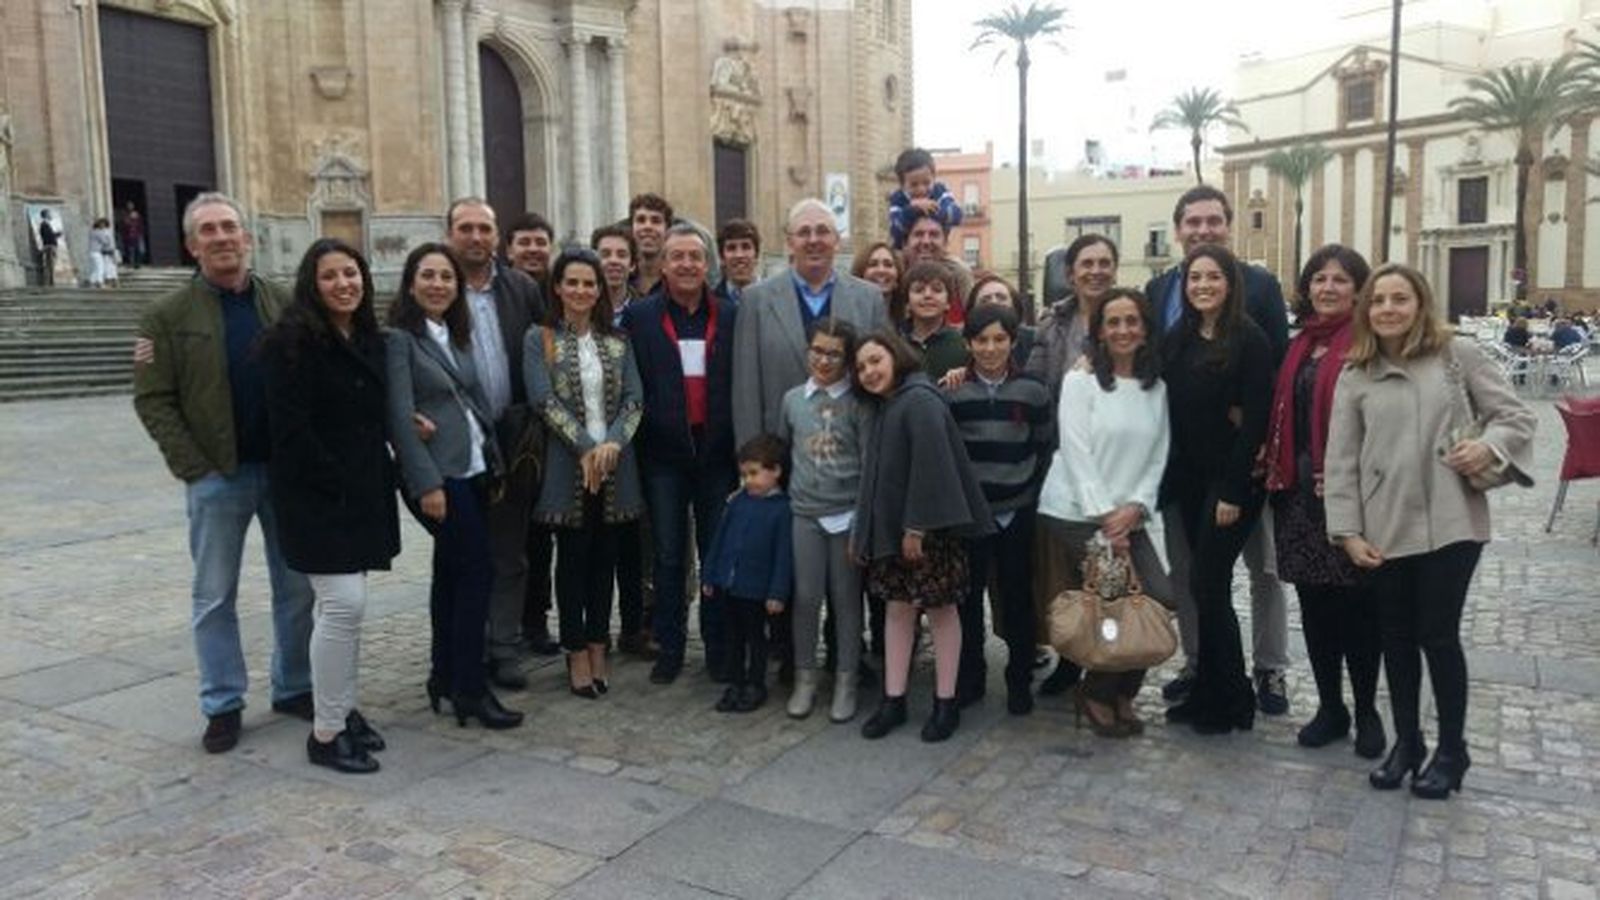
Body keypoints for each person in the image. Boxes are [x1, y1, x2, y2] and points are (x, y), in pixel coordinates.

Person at [1326, 263, 1535, 800]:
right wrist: (1347, 532)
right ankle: (1408, 744)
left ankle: (1451, 750)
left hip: (1452, 522)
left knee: (1437, 636)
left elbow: (1515, 417)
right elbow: (1341, 460)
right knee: (1394, 638)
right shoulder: (1356, 373)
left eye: (1400, 298)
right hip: (1385, 524)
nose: (1388, 309)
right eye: (1378, 300)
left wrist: (1488, 447)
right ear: (1366, 310)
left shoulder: (1456, 355)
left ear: (1420, 303)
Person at [132, 192, 314, 753]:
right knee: (214, 595)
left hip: (283, 471)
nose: (222, 237)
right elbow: (154, 399)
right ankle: (222, 703)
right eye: (208, 230)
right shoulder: (166, 316)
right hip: (218, 476)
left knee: (297, 588)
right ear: (192, 245)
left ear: (247, 238)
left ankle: (295, 685)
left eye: (229, 227)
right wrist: (195, 467)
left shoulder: (282, 302)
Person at [1145, 185, 1292, 716]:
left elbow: (1273, 377)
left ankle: (1265, 672)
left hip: (1239, 470)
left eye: (1213, 221)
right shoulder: (1165, 305)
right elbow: (1148, 370)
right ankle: (1203, 671)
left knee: (1260, 572)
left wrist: (1249, 441)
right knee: (1199, 579)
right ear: (1178, 229)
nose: (1203, 230)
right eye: (1193, 222)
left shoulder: (1259, 299)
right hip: (1187, 472)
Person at [261, 238, 399, 773]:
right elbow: (289, 429)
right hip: (316, 497)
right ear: (311, 285)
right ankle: (325, 733)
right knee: (344, 605)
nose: (344, 284)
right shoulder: (290, 343)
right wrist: (335, 480)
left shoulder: (364, 337)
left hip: (361, 493)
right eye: (330, 276)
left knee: (344, 611)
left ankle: (341, 710)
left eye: (351, 273)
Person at [385, 243, 524, 730]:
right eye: (428, 275)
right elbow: (399, 416)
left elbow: (472, 398)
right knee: (477, 572)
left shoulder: (455, 333)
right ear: (410, 283)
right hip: (438, 476)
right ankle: (471, 687)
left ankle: (442, 674)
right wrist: (426, 484)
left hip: (473, 466)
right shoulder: (400, 340)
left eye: (446, 277)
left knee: (450, 573)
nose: (438, 285)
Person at [1265, 244, 1385, 759]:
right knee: (1315, 607)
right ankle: (1331, 707)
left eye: (1339, 279)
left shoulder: (1370, 343)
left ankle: (1367, 711)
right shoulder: (1299, 345)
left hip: (1351, 496)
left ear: (1358, 289)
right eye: (1319, 278)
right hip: (1297, 498)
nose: (1328, 287)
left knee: (1360, 611)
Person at [1035, 289, 1172, 737]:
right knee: (1115, 600)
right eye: (1113, 322)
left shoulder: (1156, 388)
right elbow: (1077, 452)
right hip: (1077, 511)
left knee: (1159, 596)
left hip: (1129, 515)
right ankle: (1098, 692)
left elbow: (1158, 454)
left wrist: (1136, 507)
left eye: (1132, 321)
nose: (1123, 330)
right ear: (1099, 332)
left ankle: (1121, 691)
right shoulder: (1082, 381)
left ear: (1145, 329)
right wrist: (1106, 518)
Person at [852, 330, 993, 743]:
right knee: (898, 610)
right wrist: (865, 532)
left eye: (875, 361)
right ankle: (893, 699)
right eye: (861, 367)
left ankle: (946, 702)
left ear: (895, 356)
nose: (869, 371)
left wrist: (917, 527)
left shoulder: (920, 399)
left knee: (941, 612)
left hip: (930, 531)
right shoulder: (888, 403)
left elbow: (932, 465)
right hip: (895, 530)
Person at [1160, 243, 1275, 735]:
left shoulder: (1249, 339)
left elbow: (1256, 423)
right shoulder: (1179, 337)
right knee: (1203, 587)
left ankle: (1233, 701)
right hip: (1189, 479)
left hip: (1232, 483)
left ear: (1230, 284)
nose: (1203, 285)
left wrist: (1232, 490)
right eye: (1194, 277)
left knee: (1209, 583)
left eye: (1213, 277)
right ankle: (1208, 690)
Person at [524, 249, 644, 699]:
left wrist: (612, 444)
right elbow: (543, 400)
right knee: (572, 560)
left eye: (588, 283)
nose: (580, 290)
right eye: (571, 282)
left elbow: (634, 399)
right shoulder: (539, 338)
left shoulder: (618, 341)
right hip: (566, 466)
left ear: (599, 290)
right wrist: (586, 448)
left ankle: (598, 644)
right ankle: (574, 648)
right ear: (557, 287)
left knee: (606, 559)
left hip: (614, 467)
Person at [623, 224, 739, 684]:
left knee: (716, 554)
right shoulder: (640, 318)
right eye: (678, 257)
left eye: (695, 256)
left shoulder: (730, 315)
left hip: (716, 456)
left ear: (707, 264)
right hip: (664, 458)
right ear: (664, 265)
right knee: (669, 557)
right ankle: (669, 648)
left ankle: (717, 647)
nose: (687, 264)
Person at [445, 197, 553, 687]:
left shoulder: (522, 289)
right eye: (465, 228)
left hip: (513, 439)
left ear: (495, 237)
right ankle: (462, 648)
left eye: (484, 228)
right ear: (450, 234)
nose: (475, 237)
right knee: (462, 553)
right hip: (456, 443)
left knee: (510, 551)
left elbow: (543, 353)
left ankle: (504, 647)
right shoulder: (436, 284)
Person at [946, 304, 1053, 715]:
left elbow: (1043, 445)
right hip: (971, 515)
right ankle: (970, 676)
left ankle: (1019, 677)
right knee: (968, 599)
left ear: (1012, 341)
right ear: (968, 344)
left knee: (1017, 597)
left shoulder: (1032, 391)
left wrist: (1029, 492)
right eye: (981, 340)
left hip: (1017, 512)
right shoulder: (953, 392)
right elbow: (950, 453)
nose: (990, 348)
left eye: (999, 339)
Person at [731, 198, 890, 446]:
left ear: (837, 240)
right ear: (789, 242)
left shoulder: (869, 299)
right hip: (778, 448)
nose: (813, 240)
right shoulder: (755, 301)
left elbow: (884, 379)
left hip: (850, 449)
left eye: (823, 231)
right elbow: (746, 389)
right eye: (804, 232)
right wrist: (750, 454)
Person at [776, 317, 870, 722]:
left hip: (846, 515)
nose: (824, 360)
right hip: (805, 514)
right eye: (818, 351)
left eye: (835, 354)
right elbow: (783, 453)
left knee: (846, 600)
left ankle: (847, 679)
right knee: (806, 597)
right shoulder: (793, 400)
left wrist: (862, 520)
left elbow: (868, 463)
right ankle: (805, 678)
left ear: (847, 360)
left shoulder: (859, 403)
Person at [591, 222, 652, 656]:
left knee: (634, 540)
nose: (612, 261)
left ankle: (634, 626)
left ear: (632, 264)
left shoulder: (645, 312)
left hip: (637, 440)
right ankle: (594, 629)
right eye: (605, 253)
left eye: (620, 254)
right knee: (595, 542)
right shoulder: (578, 309)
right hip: (587, 443)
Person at [701, 434, 794, 713]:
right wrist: (710, 574)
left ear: (776, 471)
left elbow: (783, 557)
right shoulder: (738, 503)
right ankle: (735, 682)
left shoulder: (783, 510)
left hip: (757, 590)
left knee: (756, 639)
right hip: (730, 586)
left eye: (754, 473)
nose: (748, 481)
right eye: (744, 475)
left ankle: (755, 683)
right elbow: (720, 540)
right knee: (733, 638)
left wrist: (777, 593)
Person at [1026, 234, 1118, 402]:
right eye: (1087, 264)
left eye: (1104, 263)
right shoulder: (1051, 325)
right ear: (1071, 275)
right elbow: (1034, 384)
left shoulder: (1132, 323)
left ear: (1115, 272)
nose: (1096, 271)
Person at [902, 208, 974, 325]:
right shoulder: (896, 273)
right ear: (906, 243)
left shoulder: (959, 274)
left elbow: (974, 320)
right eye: (918, 234)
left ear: (945, 243)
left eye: (934, 235)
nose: (926, 241)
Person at [900, 260, 969, 380]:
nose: (928, 295)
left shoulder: (963, 344)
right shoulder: (895, 342)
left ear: (948, 303)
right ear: (907, 303)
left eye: (937, 290)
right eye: (919, 290)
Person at [888, 147, 963, 250]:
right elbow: (896, 230)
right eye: (914, 185)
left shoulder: (939, 191)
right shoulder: (898, 198)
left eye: (926, 183)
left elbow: (956, 216)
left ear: (934, 178)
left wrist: (932, 209)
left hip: (937, 250)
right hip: (905, 252)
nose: (921, 189)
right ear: (902, 185)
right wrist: (912, 210)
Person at [965, 274, 1035, 370]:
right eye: (985, 300)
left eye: (1001, 298)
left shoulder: (1034, 339)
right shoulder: (961, 346)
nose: (994, 302)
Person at [629, 193, 673, 295]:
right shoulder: (623, 279)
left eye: (656, 221)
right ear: (631, 228)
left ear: (667, 229)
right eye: (641, 220)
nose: (648, 226)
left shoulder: (677, 280)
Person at [504, 212, 556, 292]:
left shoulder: (564, 292)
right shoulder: (496, 290)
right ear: (509, 251)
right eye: (524, 243)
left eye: (540, 243)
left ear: (551, 249)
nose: (533, 249)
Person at [851, 241, 903, 319]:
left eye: (888, 265)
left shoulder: (909, 321)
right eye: (873, 264)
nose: (881, 270)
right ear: (860, 274)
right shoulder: (846, 317)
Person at [715, 219, 762, 304]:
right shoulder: (709, 303)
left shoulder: (776, 299)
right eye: (731, 248)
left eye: (746, 247)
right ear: (722, 258)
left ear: (756, 255)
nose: (739, 255)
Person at [88, 217, 119, 288]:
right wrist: (107, 237)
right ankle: (99, 282)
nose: (103, 226)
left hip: (93, 251)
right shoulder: (98, 232)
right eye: (101, 224)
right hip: (97, 251)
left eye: (104, 224)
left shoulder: (93, 231)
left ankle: (92, 281)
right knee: (100, 267)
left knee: (95, 268)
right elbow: (105, 241)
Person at [119, 200, 146, 268]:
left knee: (138, 250)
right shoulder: (125, 215)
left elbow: (140, 225)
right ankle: (131, 263)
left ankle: (137, 263)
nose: (130, 207)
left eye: (131, 205)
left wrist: (140, 232)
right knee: (129, 250)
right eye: (129, 206)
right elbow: (123, 225)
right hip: (128, 236)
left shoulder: (136, 215)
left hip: (136, 235)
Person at [36, 209, 59, 286]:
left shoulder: (46, 224)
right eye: (50, 213)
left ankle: (50, 282)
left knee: (51, 265)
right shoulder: (44, 225)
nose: (51, 215)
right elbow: (47, 237)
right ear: (46, 215)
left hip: (50, 246)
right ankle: (49, 283)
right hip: (50, 247)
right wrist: (56, 235)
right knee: (50, 265)